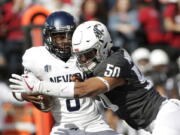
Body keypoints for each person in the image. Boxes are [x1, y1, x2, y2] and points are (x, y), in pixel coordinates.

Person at [9, 20, 180, 135]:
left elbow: (85, 89)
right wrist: (24, 94)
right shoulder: (94, 63)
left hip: (163, 116)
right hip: (148, 123)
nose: (83, 60)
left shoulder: (117, 60)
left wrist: (38, 86)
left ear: (103, 45)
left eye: (88, 54)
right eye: (80, 55)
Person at [9, 13, 119, 135]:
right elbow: (18, 87)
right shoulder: (36, 57)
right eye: (60, 37)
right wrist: (23, 95)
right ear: (48, 37)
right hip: (64, 127)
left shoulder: (85, 54)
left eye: (70, 36)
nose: (66, 41)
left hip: (95, 124)